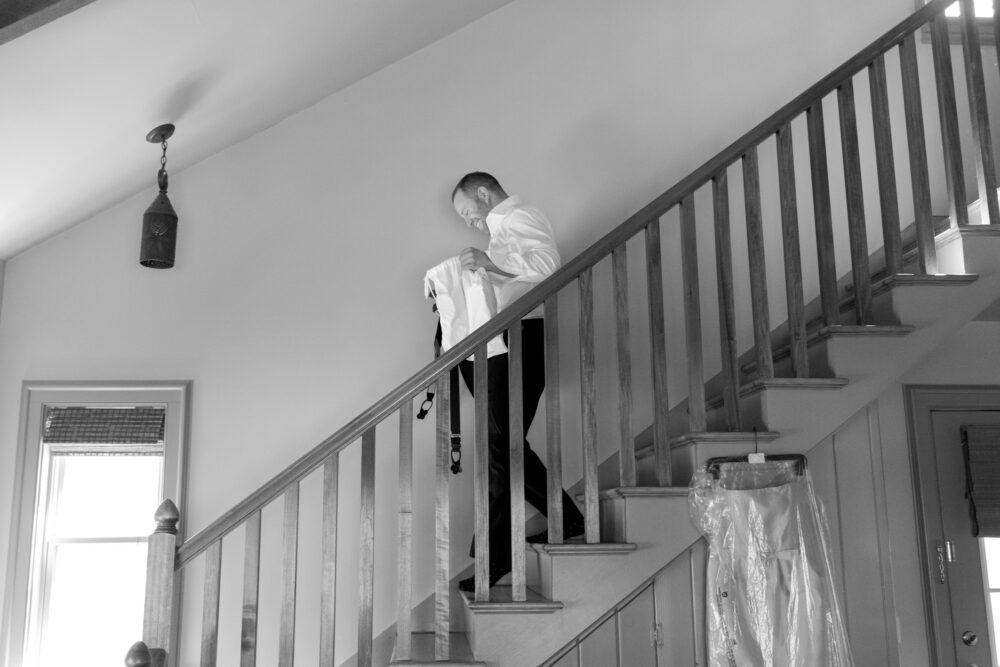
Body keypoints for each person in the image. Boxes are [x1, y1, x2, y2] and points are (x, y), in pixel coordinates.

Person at [450, 172, 586, 593]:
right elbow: (511, 284)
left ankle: (498, 557)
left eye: (468, 213)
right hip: (507, 337)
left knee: (500, 446)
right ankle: (566, 520)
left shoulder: (522, 216)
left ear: (485, 194)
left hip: (524, 336)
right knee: (504, 446)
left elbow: (549, 269)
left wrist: (491, 265)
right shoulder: (500, 234)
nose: (471, 222)